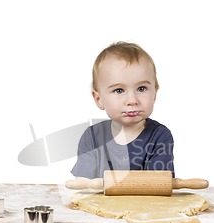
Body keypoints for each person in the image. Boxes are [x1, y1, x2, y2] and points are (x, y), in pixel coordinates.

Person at [71, 41, 175, 179]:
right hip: (100, 201)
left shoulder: (160, 137)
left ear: (154, 94)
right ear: (99, 99)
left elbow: (159, 186)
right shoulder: (92, 138)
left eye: (141, 89)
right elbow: (84, 187)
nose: (132, 100)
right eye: (119, 90)